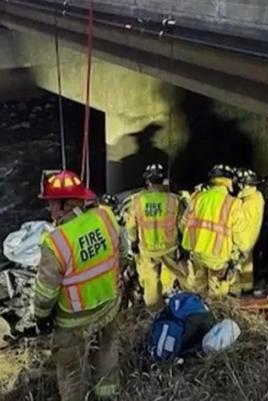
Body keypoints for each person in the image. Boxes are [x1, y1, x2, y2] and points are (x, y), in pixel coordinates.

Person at [33, 170, 125, 401]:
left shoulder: (55, 242)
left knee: (71, 372)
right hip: (109, 306)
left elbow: (46, 293)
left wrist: (41, 318)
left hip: (73, 320)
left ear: (64, 206)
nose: (49, 209)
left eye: (51, 204)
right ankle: (107, 395)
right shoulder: (105, 216)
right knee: (107, 352)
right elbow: (122, 251)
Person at [179, 164, 251, 297]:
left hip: (197, 253)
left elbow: (183, 224)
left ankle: (199, 309)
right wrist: (243, 251)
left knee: (199, 287)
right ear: (229, 182)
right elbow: (241, 237)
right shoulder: (233, 204)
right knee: (217, 292)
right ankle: (216, 309)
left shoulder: (197, 198)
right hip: (218, 257)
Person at [121, 163, 182, 308]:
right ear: (163, 180)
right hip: (169, 248)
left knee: (150, 282)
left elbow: (131, 225)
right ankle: (171, 307)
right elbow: (181, 225)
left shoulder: (138, 200)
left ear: (148, 180)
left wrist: (134, 241)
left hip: (147, 249)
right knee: (169, 279)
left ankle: (154, 312)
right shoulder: (173, 200)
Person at [231, 168, 264, 295]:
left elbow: (237, 224)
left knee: (235, 270)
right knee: (247, 266)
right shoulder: (258, 196)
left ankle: (235, 294)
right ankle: (248, 289)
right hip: (252, 239)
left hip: (241, 241)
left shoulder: (242, 203)